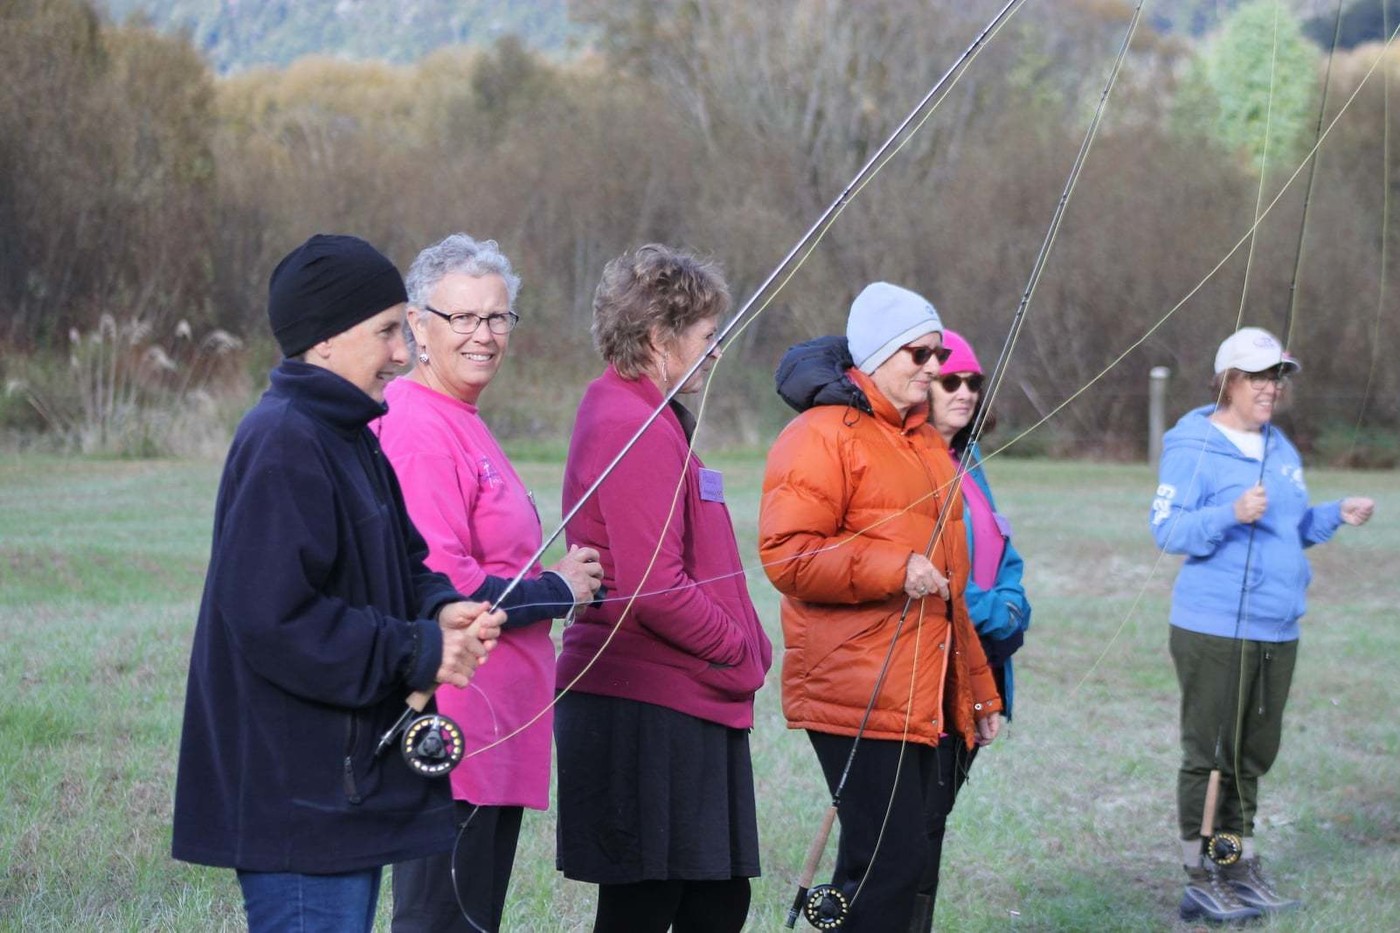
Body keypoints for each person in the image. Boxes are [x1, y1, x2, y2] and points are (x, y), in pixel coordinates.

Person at [172, 233, 505, 933]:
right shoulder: (284, 438)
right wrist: (412, 653)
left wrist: (440, 613)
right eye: (386, 331)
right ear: (325, 339)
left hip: (339, 793)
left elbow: (406, 566)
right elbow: (274, 619)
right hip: (296, 805)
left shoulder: (351, 434)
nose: (402, 351)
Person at [375, 233, 603, 933]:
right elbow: (445, 583)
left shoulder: (465, 420)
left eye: (498, 317)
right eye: (463, 318)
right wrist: (558, 590)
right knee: (440, 922)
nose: (484, 335)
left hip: (496, 730)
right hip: (450, 728)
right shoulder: (416, 424)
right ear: (418, 325)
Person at [760, 283, 1005, 933]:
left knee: (900, 858)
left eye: (938, 354)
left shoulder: (926, 443)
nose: (934, 367)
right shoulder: (820, 434)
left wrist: (978, 693)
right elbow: (788, 556)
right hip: (856, 685)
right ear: (876, 354)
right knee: (888, 863)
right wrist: (894, 567)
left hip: (919, 686)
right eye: (920, 354)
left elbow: (951, 590)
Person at [554, 244, 772, 933]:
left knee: (715, 898)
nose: (716, 353)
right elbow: (653, 586)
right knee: (651, 906)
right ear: (659, 338)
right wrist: (739, 650)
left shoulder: (650, 415)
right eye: (709, 337)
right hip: (644, 704)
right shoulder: (629, 421)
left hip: (679, 700)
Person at [1150, 326, 1374, 923]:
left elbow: (1292, 527)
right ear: (1228, 382)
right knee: (1213, 755)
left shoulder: (1281, 448)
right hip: (1215, 624)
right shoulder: (1193, 443)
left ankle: (1233, 864)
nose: (1269, 388)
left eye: (1277, 376)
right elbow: (1168, 529)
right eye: (1257, 376)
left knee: (1252, 756)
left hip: (1279, 627)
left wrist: (1334, 514)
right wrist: (1230, 512)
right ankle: (1200, 875)